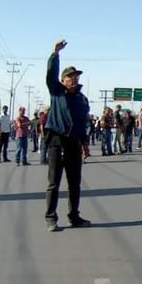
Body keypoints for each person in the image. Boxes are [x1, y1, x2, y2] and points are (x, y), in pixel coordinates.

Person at [44, 39, 91, 231]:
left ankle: (74, 216)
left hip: (73, 144)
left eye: (76, 77)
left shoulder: (81, 99)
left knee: (75, 184)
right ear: (63, 80)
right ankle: (50, 218)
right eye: (70, 77)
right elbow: (50, 75)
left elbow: (82, 123)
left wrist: (85, 144)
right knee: (54, 183)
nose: (74, 79)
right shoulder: (57, 92)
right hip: (57, 142)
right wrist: (55, 53)